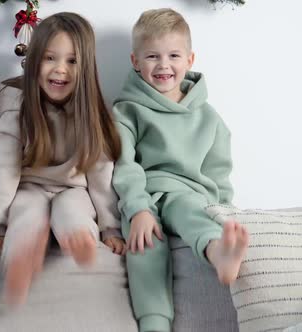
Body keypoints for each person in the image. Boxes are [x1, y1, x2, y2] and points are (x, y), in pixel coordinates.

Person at [112, 8, 249, 332]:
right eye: (152, 56)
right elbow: (124, 166)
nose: (163, 65)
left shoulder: (208, 117)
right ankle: (155, 324)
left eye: (173, 55)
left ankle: (219, 253)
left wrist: (223, 210)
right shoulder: (126, 111)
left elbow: (218, 172)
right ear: (135, 61)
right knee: (144, 243)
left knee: (189, 208)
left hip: (189, 194)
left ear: (189, 59)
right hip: (146, 193)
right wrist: (138, 209)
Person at [0, 12, 125, 307]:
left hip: (74, 189)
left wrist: (109, 226)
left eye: (72, 61)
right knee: (25, 214)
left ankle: (79, 240)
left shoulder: (92, 115)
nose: (60, 70)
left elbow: (101, 176)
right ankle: (21, 262)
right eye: (50, 58)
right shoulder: (17, 107)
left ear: (85, 67)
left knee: (74, 213)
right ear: (35, 60)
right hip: (29, 187)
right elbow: (4, 168)